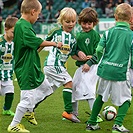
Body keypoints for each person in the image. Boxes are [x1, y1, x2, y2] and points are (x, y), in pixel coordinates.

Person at [7, 0, 62, 132]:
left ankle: (28, 110)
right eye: (38, 14)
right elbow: (35, 41)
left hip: (32, 65)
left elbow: (30, 44)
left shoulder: (22, 24)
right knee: (28, 97)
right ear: (32, 12)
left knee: (47, 88)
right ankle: (14, 124)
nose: (38, 17)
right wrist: (54, 44)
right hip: (26, 68)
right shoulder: (23, 25)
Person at [86, 3, 132, 132]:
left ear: (115, 17)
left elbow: (99, 50)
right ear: (130, 19)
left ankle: (91, 123)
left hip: (105, 70)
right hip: (121, 72)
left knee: (100, 96)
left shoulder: (107, 33)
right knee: (126, 99)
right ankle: (117, 125)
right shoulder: (131, 36)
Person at [42, 7, 80, 123]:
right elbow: (42, 43)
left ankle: (29, 107)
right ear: (61, 21)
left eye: (73, 21)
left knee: (46, 90)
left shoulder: (73, 39)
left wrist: (84, 57)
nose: (70, 24)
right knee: (69, 83)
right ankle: (68, 112)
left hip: (58, 67)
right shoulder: (55, 31)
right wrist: (33, 54)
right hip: (53, 64)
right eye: (67, 21)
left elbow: (73, 55)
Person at [71, 7, 102, 123]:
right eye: (84, 23)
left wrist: (89, 62)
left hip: (92, 67)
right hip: (81, 67)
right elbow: (73, 52)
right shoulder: (78, 36)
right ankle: (74, 113)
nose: (87, 26)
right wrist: (78, 52)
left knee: (89, 89)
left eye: (90, 23)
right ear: (80, 22)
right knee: (72, 87)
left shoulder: (96, 36)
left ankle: (96, 115)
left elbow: (99, 53)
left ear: (94, 23)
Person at [0, 16, 18, 117]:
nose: (14, 35)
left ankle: (6, 109)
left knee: (10, 92)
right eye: (13, 32)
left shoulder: (15, 43)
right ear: (6, 29)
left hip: (8, 74)